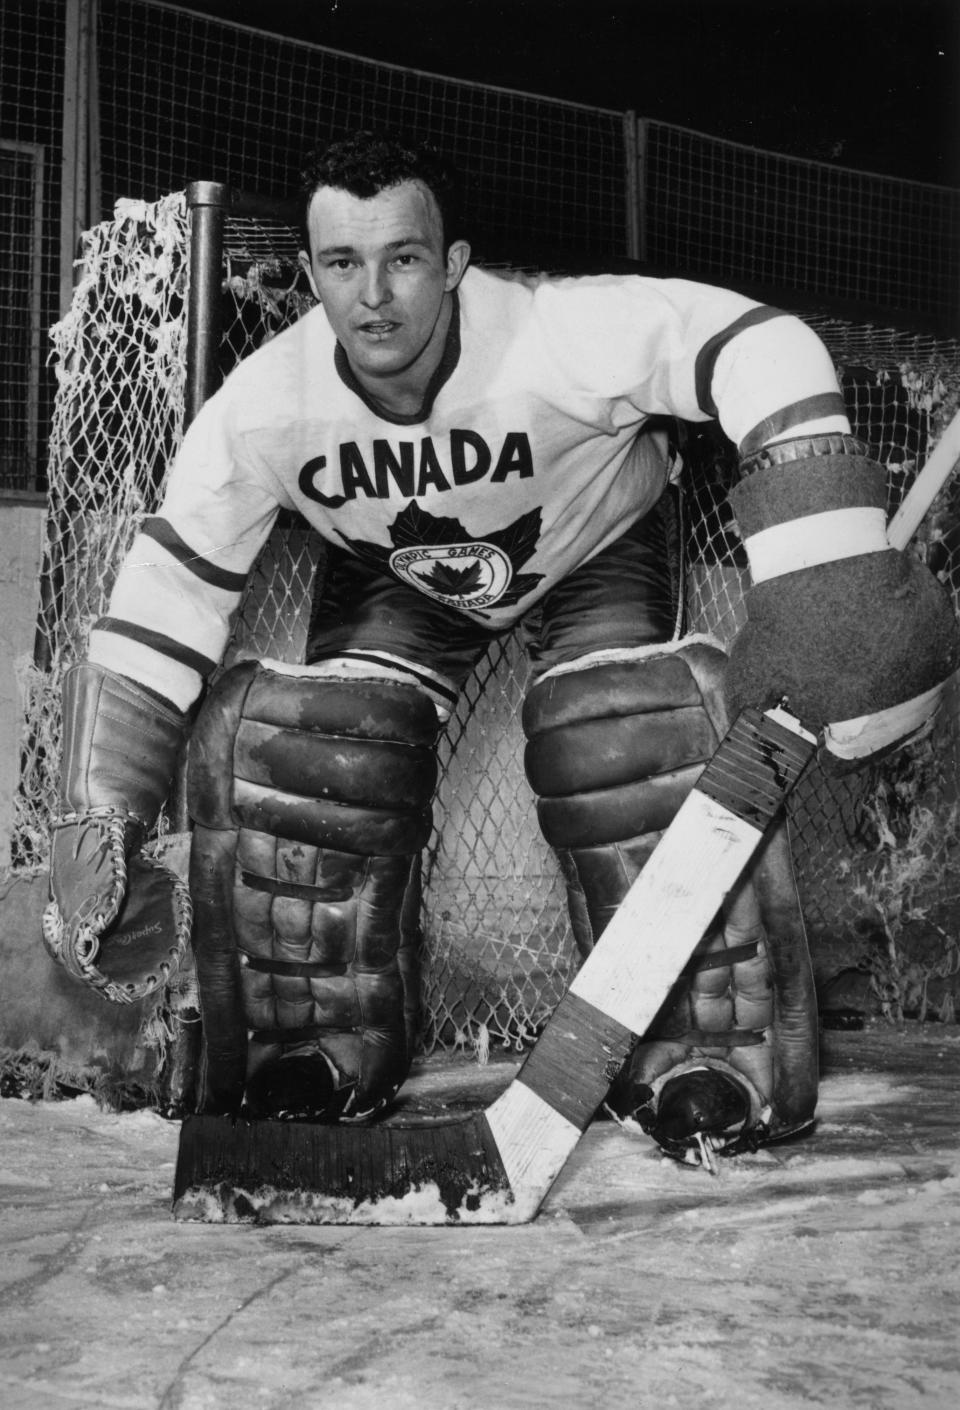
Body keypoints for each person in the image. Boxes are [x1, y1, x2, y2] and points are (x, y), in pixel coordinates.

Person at [43, 130, 960, 1167]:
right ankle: (314, 1047)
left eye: (403, 258)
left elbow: (758, 339)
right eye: (342, 264)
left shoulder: (557, 333)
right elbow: (168, 586)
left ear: (456, 264)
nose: (374, 295)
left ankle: (705, 1057)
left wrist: (819, 555)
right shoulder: (264, 407)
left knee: (623, 738)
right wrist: (101, 809)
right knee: (309, 753)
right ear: (309, 274)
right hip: (401, 575)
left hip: (594, 542)